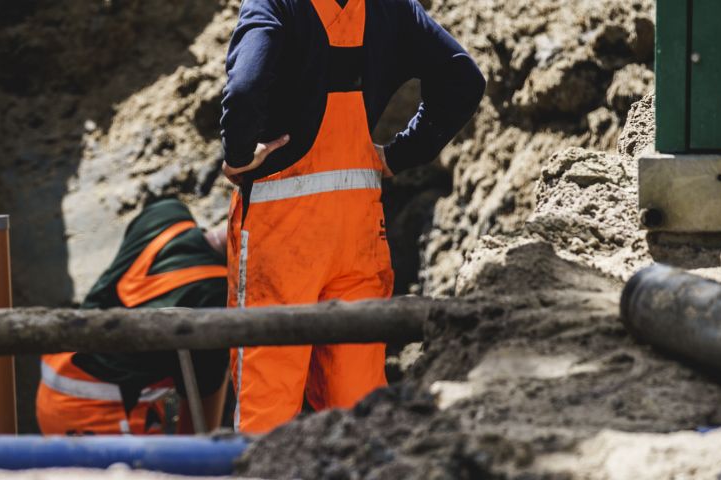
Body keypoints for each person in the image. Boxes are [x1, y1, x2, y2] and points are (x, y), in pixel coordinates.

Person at [218, 0, 483, 434]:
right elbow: (463, 78)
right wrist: (402, 153)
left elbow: (244, 89)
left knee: (266, 406)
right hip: (359, 228)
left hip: (280, 233)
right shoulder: (391, 8)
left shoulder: (274, 4)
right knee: (359, 400)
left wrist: (239, 154)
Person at [37, 199, 231, 435]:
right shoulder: (214, 299)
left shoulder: (167, 214)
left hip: (59, 372)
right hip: (99, 413)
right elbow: (199, 430)